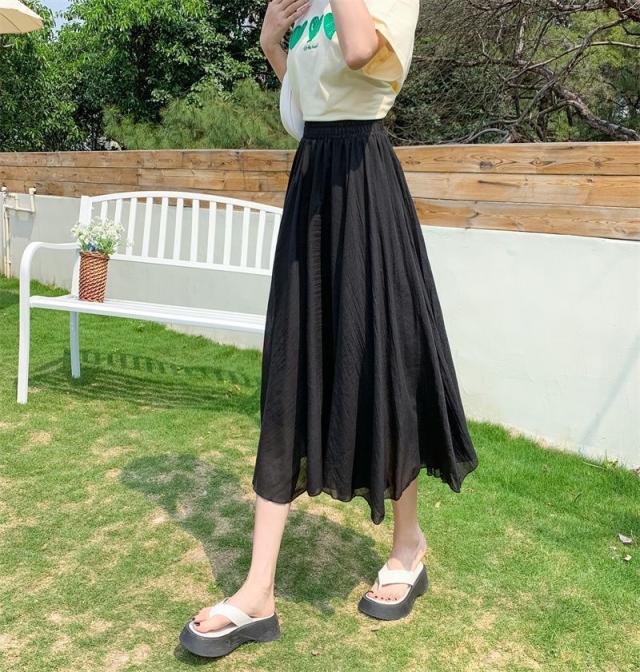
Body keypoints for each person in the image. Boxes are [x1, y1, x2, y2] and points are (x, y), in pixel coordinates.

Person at [179, 0, 479, 658]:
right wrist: (271, 44)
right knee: (291, 367)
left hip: (364, 183)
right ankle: (257, 590)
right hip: (312, 184)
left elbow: (360, 52)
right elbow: (301, 112)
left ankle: (408, 546)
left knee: (386, 360)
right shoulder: (310, 7)